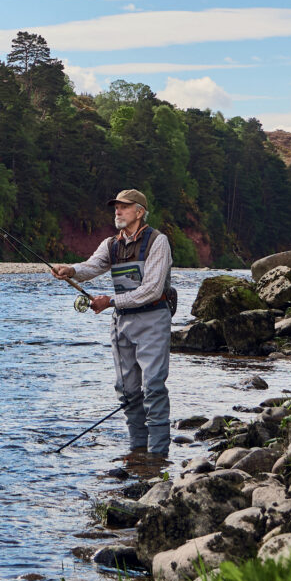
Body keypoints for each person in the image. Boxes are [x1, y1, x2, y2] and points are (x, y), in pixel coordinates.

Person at [52, 189, 174, 459]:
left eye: (124, 207)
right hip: (122, 322)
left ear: (139, 212)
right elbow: (92, 266)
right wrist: (70, 271)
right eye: (116, 207)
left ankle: (158, 455)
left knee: (153, 386)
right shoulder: (112, 244)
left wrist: (110, 301)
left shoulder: (157, 241)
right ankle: (138, 451)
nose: (117, 211)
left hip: (153, 319)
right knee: (127, 391)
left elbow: (153, 290)